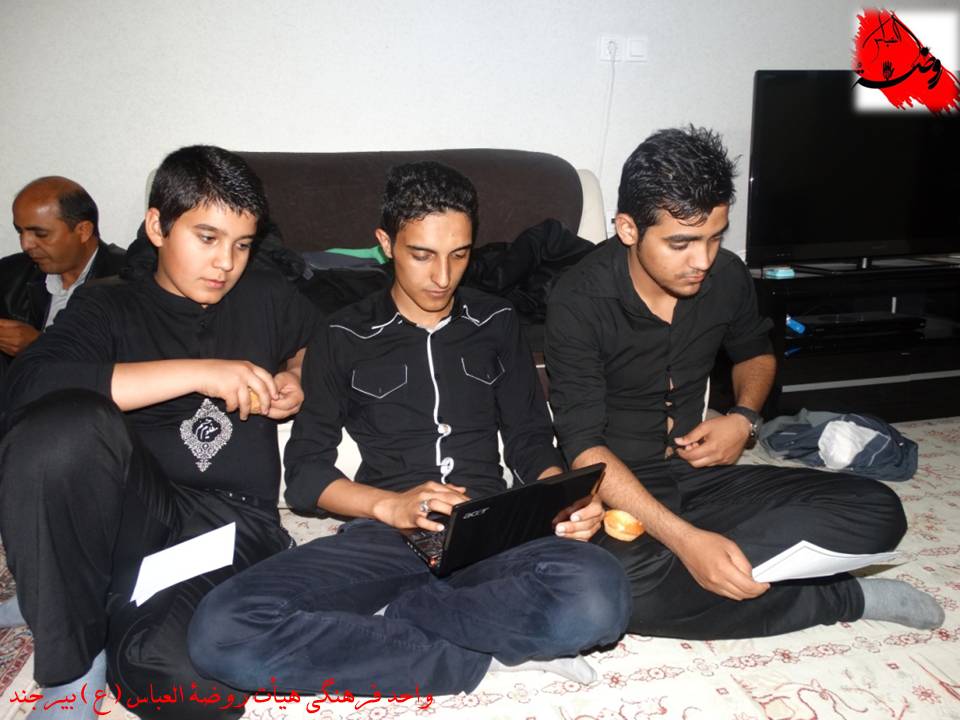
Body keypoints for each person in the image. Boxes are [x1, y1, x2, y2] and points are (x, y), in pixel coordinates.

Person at [188, 161, 630, 700]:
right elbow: (304, 475)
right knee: (222, 631)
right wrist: (390, 506)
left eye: (459, 254)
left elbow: (530, 440)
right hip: (386, 536)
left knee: (599, 596)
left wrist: (563, 501)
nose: (443, 276)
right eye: (422, 254)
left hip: (491, 533)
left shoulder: (498, 322)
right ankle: (484, 654)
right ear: (386, 244)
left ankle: (399, 617)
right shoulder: (341, 334)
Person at [544, 126, 944, 640]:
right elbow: (584, 447)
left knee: (878, 510)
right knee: (601, 589)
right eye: (681, 242)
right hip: (620, 487)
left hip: (699, 477)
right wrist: (686, 541)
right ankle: (840, 597)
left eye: (715, 237)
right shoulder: (579, 299)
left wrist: (744, 418)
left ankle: (705, 566)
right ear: (627, 228)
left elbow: (755, 352)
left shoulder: (727, 276)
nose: (703, 261)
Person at [0, 146, 317, 720]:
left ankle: (73, 592)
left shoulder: (265, 295)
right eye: (207, 237)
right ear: (157, 226)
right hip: (135, 513)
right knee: (60, 428)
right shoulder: (109, 303)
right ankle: (70, 664)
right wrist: (198, 372)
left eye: (242, 244)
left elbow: (317, 342)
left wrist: (296, 375)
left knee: (180, 680)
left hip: (230, 524)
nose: (225, 263)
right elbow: (29, 384)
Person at [1, 176, 125, 369]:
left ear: (83, 231)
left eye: (40, 234)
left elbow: (131, 361)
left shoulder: (128, 280)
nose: (26, 244)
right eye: (20, 232)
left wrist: (40, 345)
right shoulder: (11, 273)